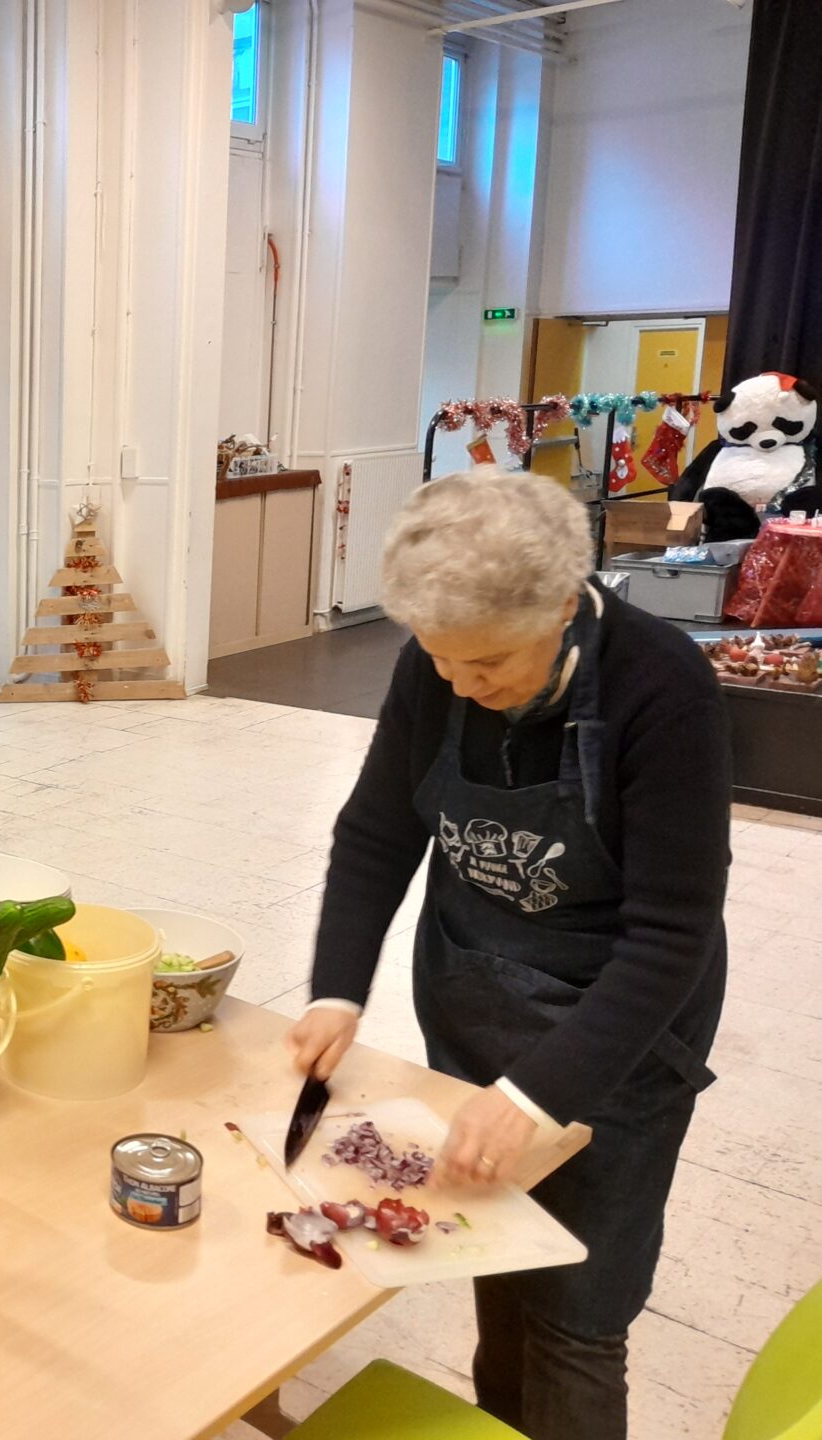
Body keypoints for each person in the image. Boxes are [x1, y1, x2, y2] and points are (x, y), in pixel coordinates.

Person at [289, 472, 728, 1440]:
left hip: (617, 1034)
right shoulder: (440, 664)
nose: (459, 686)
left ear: (565, 606)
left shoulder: (662, 687)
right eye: (439, 658)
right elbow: (377, 833)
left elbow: (672, 934)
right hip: (476, 991)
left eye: (487, 662)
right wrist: (336, 992)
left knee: (575, 1306)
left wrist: (535, 1097)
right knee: (498, 1258)